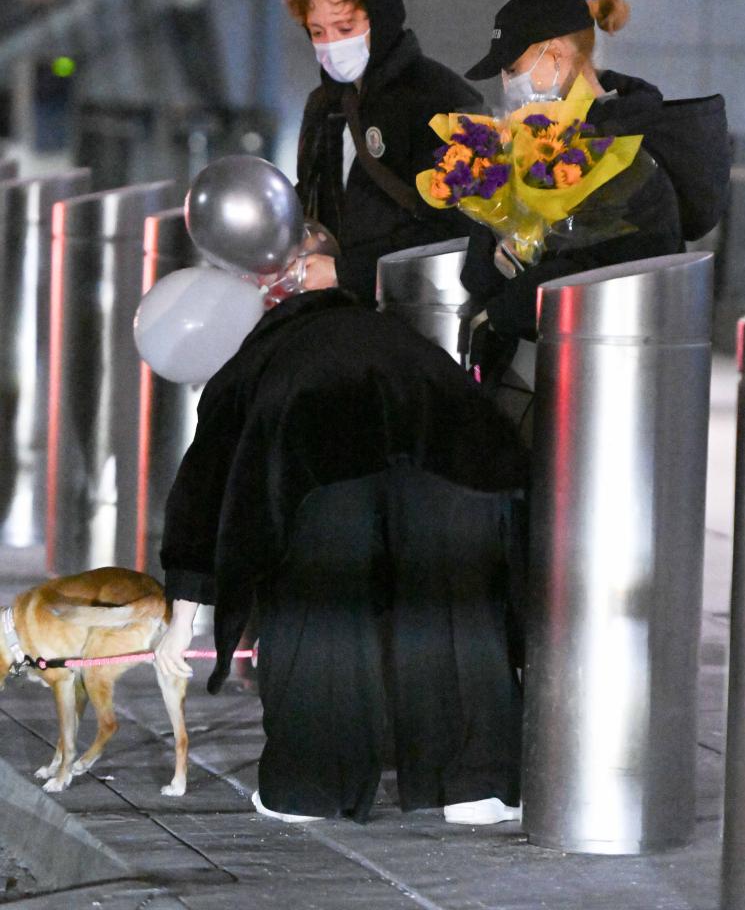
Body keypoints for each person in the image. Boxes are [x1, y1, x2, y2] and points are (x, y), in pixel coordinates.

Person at [154, 288, 529, 825]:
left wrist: (181, 621)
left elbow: (203, 492)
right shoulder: (398, 337)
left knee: (321, 610)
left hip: (319, 460)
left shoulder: (251, 365)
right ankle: (476, 786)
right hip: (449, 458)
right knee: (453, 607)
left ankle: (311, 788)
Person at [461, 0, 730, 353]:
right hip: (545, 361)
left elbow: (622, 275)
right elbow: (478, 276)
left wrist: (512, 301)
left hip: (608, 372)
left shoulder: (628, 150)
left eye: (512, 70)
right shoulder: (534, 142)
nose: (506, 85)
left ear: (555, 57)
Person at [284, 0, 483, 304]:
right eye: (317, 32)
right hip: (335, 302)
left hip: (417, 304)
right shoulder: (324, 104)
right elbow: (313, 197)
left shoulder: (437, 97)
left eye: (345, 28)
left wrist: (346, 272)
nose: (331, 44)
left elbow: (455, 227)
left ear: (382, 20)